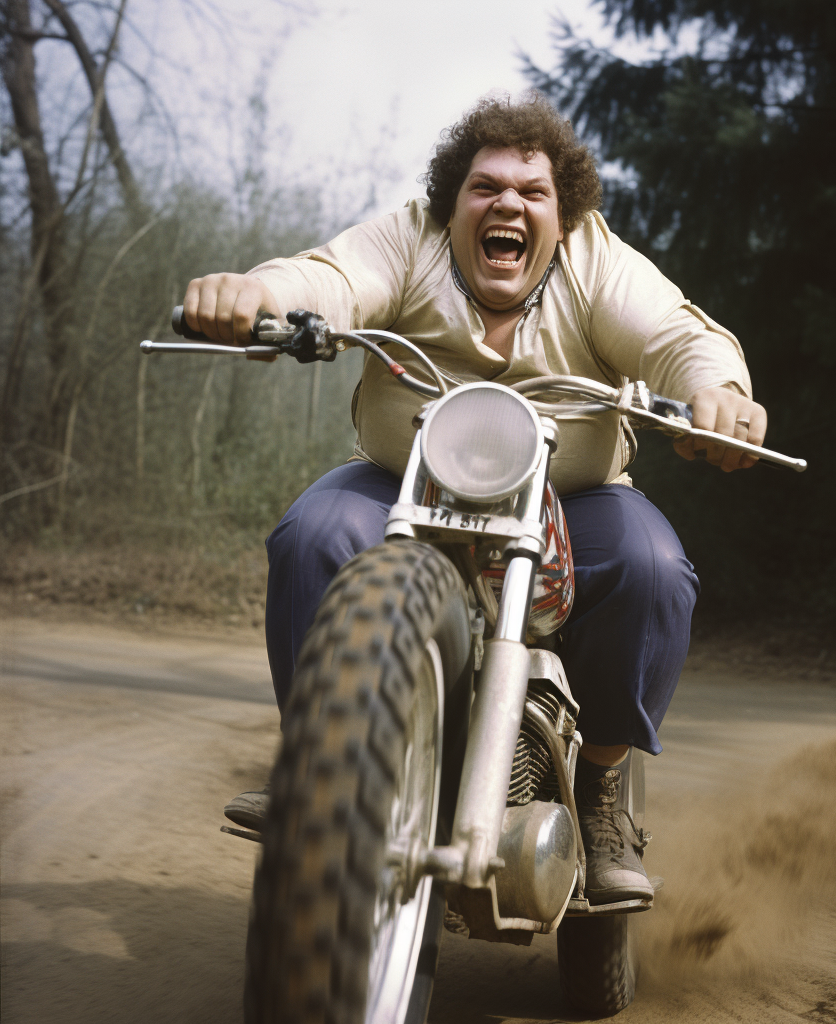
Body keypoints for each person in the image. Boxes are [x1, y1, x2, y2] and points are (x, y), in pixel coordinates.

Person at [184, 95, 766, 905]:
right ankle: (316, 764)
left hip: (574, 496)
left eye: (533, 193)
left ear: (562, 218)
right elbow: (328, 277)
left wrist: (718, 393)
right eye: (486, 187)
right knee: (312, 533)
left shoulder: (597, 263)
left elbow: (677, 337)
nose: (509, 205)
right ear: (452, 202)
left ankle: (600, 788)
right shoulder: (408, 240)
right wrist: (255, 294)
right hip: (401, 482)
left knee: (653, 565)